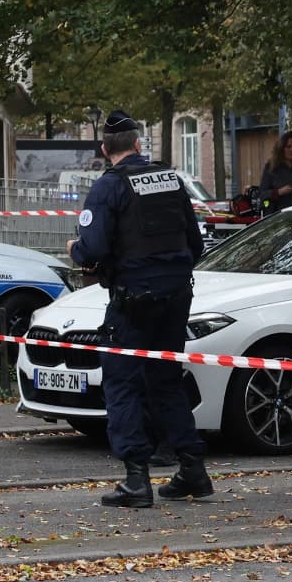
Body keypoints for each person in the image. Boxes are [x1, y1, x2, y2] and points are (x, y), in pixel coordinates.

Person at [68, 109, 211, 508]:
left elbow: (92, 250)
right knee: (166, 379)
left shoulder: (107, 187)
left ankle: (136, 478)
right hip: (177, 296)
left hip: (133, 300)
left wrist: (75, 251)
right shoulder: (171, 180)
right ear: (137, 144)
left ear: (104, 148)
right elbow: (195, 244)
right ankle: (192, 469)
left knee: (122, 382)